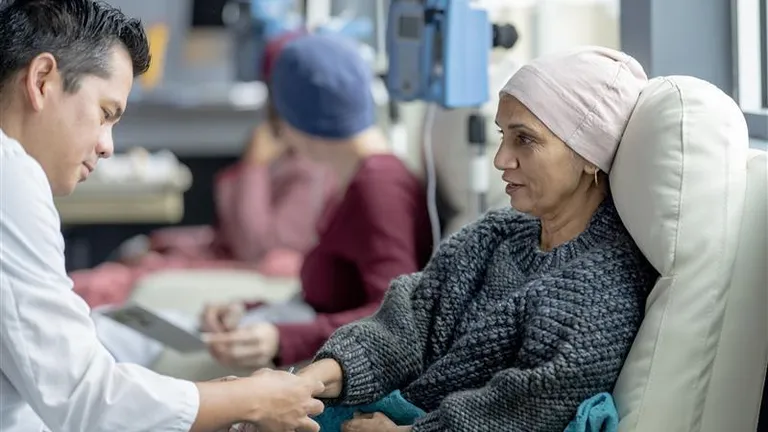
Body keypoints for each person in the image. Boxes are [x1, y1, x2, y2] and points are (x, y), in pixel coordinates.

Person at [297, 46, 660, 432]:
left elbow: (521, 413)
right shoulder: (497, 233)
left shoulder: (600, 291)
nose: (501, 159)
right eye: (503, 136)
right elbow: (407, 323)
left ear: (590, 153)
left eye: (525, 140)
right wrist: (308, 381)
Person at [0, 1, 324, 431]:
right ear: (42, 80)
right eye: (105, 114)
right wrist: (245, 399)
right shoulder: (12, 178)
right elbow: (85, 398)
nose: (107, 145)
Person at [94, 33, 433, 372]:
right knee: (111, 324)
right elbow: (330, 299)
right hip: (293, 322)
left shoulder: (379, 186)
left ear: (290, 117)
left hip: (311, 355)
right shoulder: (358, 179)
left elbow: (394, 316)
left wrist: (281, 339)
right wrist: (246, 309)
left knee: (106, 339)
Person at [70, 30, 337, 309]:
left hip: (235, 275)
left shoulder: (311, 165)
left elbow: (254, 246)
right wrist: (167, 244)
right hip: (213, 259)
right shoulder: (282, 149)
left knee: (89, 290)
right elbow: (228, 235)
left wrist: (254, 166)